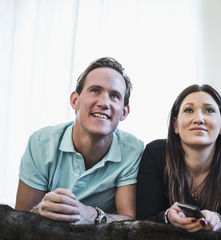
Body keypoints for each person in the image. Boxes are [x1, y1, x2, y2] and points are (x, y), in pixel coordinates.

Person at [15, 57, 144, 225]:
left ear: (124, 112)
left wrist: (90, 214)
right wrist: (39, 211)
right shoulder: (40, 143)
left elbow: (129, 220)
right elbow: (20, 218)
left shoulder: (133, 150)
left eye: (114, 96)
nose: (104, 103)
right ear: (75, 100)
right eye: (95, 90)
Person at [136, 84, 221, 232]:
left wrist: (220, 220)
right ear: (175, 125)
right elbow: (143, 220)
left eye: (209, 110)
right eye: (189, 110)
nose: (199, 119)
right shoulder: (155, 154)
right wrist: (167, 217)